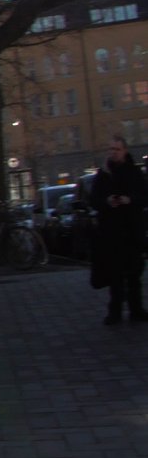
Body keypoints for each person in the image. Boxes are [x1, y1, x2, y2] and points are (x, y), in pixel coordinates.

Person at [86, 136, 147, 325]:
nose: (113, 152)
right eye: (111, 149)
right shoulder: (103, 174)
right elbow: (93, 200)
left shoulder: (134, 172)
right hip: (111, 231)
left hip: (131, 229)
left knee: (134, 273)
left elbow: (145, 196)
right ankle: (115, 311)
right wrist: (107, 201)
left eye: (117, 149)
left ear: (125, 151)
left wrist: (131, 200)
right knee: (115, 275)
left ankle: (136, 310)